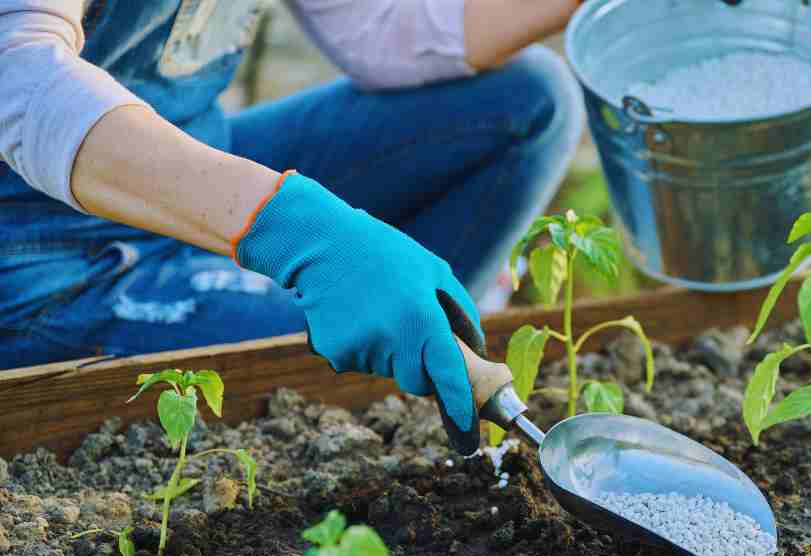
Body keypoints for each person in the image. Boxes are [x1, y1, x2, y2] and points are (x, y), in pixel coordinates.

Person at [0, 0, 587, 453]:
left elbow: (378, 29)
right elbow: (17, 73)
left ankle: (419, 333)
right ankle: (399, 370)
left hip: (192, 158)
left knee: (528, 102)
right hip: (38, 256)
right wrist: (298, 232)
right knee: (354, 354)